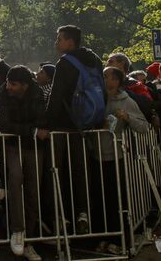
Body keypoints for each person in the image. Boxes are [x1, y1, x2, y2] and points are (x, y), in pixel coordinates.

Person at [45, 25, 104, 234]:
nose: (57, 42)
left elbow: (56, 96)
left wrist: (46, 124)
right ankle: (83, 213)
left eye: (59, 38)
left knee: (56, 171)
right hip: (88, 125)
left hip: (64, 125)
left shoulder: (65, 63)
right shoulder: (94, 59)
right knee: (81, 172)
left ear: (70, 42)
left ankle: (61, 217)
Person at [92, 67, 148, 254]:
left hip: (115, 156)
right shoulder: (96, 98)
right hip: (94, 155)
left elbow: (143, 126)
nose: (104, 79)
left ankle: (119, 238)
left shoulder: (127, 101)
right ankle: (102, 236)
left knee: (117, 199)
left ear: (116, 81)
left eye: (107, 76)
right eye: (103, 76)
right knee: (99, 200)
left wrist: (127, 117)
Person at [0, 66, 46, 260]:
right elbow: (3, 124)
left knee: (33, 190)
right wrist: (32, 131)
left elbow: (41, 121)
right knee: (15, 181)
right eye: (8, 82)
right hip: (12, 145)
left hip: (34, 148)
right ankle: (17, 230)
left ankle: (30, 240)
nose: (9, 86)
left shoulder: (37, 92)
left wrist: (31, 130)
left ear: (25, 85)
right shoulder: (3, 92)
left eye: (13, 84)